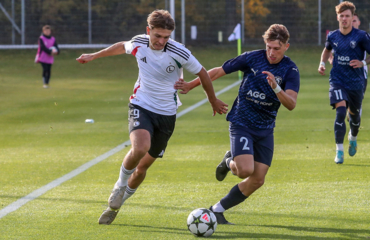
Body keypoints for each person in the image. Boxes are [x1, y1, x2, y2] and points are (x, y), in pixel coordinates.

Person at [76, 9, 228, 225]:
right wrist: (94, 55)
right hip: (141, 103)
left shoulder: (179, 52)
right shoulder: (139, 42)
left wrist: (212, 99)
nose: (161, 41)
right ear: (149, 31)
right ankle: (119, 186)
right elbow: (122, 46)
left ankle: (117, 205)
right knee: (140, 147)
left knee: (142, 168)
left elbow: (203, 72)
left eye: (166, 37)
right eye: (157, 36)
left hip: (167, 114)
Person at [175, 24, 300, 224]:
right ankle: (228, 161)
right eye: (269, 47)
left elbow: (291, 104)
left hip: (266, 128)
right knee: (244, 170)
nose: (271, 52)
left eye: (277, 48)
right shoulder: (252, 58)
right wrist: (191, 84)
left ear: (287, 46)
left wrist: (276, 88)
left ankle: (217, 210)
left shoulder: (290, 70)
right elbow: (217, 71)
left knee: (258, 179)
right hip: (242, 121)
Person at [318, 1, 370, 164]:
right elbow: (326, 51)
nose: (345, 19)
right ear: (337, 17)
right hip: (338, 80)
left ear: (352, 17)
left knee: (354, 119)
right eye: (342, 16)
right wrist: (322, 63)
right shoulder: (332, 36)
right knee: (340, 113)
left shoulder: (361, 36)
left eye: (347, 16)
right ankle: (339, 151)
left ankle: (353, 136)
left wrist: (363, 62)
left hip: (356, 83)